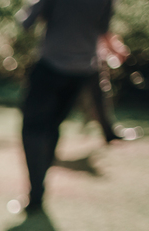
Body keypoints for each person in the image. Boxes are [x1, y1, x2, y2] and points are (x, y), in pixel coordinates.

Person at [18, 0, 117, 213]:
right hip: (81, 72)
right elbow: (103, 30)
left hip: (50, 67)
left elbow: (26, 22)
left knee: (33, 129)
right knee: (52, 126)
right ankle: (38, 190)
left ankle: (36, 193)